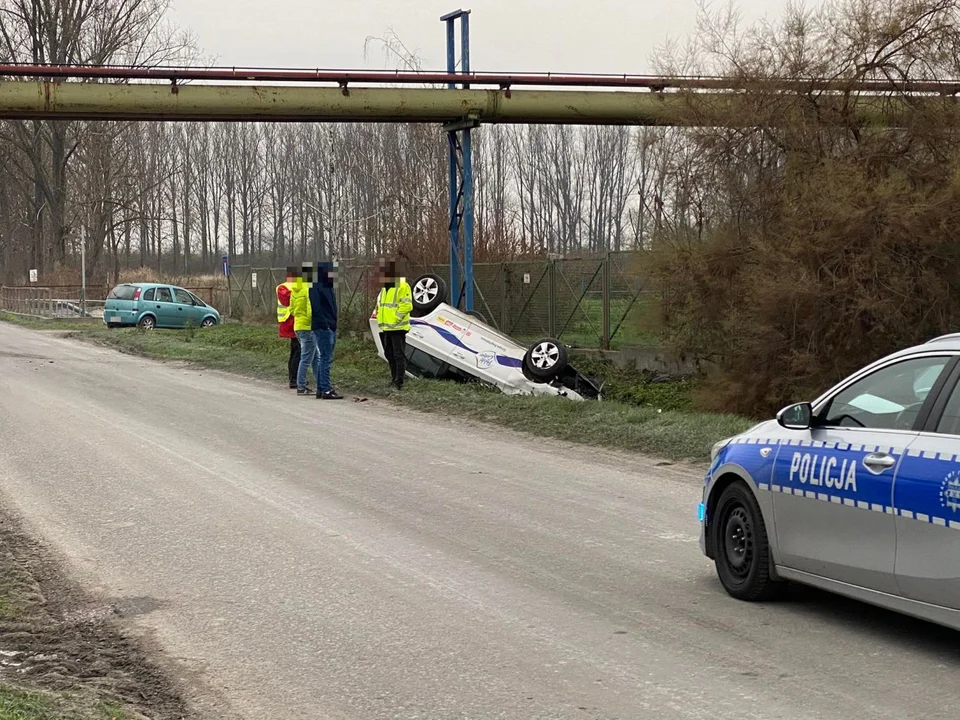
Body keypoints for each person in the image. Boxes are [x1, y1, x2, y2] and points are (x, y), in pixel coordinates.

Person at [375, 258, 414, 390]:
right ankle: (394, 379)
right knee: (389, 354)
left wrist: (395, 319)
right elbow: (381, 306)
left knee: (398, 355)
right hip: (387, 327)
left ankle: (399, 382)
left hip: (397, 327)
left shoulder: (402, 285)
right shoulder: (386, 287)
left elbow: (406, 305)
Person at [309, 260, 343, 400]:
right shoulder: (316, 286)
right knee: (325, 358)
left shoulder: (328, 286)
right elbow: (316, 307)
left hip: (330, 325)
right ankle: (326, 389)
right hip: (323, 327)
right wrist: (325, 325)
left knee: (325, 357)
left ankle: (321, 388)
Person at [291, 262, 321, 396]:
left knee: (315, 357)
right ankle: (301, 386)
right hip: (308, 327)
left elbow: (291, 309)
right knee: (307, 358)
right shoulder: (308, 289)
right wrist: (315, 320)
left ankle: (321, 382)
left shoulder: (295, 290)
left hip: (298, 326)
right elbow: (310, 308)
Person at [276, 266, 301, 389]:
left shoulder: (287, 287)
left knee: (296, 351)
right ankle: (294, 379)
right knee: (298, 352)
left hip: (294, 322)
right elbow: (288, 301)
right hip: (290, 322)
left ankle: (294, 378)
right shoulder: (283, 288)